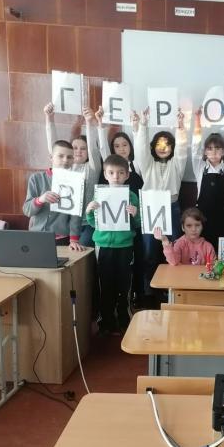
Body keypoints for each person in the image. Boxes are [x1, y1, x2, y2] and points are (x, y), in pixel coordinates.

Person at [135, 108, 189, 296]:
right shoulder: (147, 164)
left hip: (172, 207)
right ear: (153, 147)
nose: (163, 147)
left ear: (172, 147)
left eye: (167, 144)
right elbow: (141, 149)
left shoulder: (177, 164)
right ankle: (148, 292)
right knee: (149, 252)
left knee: (173, 250)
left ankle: (171, 291)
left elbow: (182, 151)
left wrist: (180, 128)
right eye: (158, 144)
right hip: (150, 208)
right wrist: (143, 125)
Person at [95, 107, 146, 305]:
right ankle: (107, 314)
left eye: (125, 145)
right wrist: (100, 125)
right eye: (117, 146)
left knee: (128, 273)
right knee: (106, 279)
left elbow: (140, 147)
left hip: (128, 235)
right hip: (107, 239)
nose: (122, 148)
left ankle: (128, 306)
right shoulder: (104, 185)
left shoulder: (136, 167)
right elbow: (102, 150)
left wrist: (137, 126)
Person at [85, 154, 140, 334]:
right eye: (111, 173)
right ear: (105, 174)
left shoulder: (131, 196)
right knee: (105, 284)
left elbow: (138, 224)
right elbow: (94, 223)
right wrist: (89, 211)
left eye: (120, 173)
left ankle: (124, 319)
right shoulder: (99, 195)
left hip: (125, 246)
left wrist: (135, 214)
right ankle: (106, 321)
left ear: (127, 175)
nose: (116, 176)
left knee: (124, 284)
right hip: (104, 246)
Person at [43, 103, 102, 247]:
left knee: (81, 252)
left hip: (86, 223)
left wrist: (89, 122)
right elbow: (54, 148)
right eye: (75, 148)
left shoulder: (92, 168)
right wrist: (49, 119)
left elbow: (94, 149)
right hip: (65, 224)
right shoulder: (64, 167)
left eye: (83, 148)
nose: (78, 151)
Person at [23, 140, 85, 251]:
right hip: (36, 236)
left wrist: (74, 240)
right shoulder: (36, 179)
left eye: (69, 157)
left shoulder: (77, 182)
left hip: (62, 239)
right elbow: (27, 210)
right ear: (51, 158)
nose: (65, 160)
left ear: (73, 160)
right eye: (61, 156)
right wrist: (40, 200)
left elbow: (76, 216)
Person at [191, 107, 224, 251]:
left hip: (223, 220)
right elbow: (195, 148)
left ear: (223, 152)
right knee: (203, 254)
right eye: (210, 148)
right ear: (205, 151)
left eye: (218, 148)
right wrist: (197, 121)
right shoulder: (200, 168)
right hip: (202, 220)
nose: (214, 152)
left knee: (223, 254)